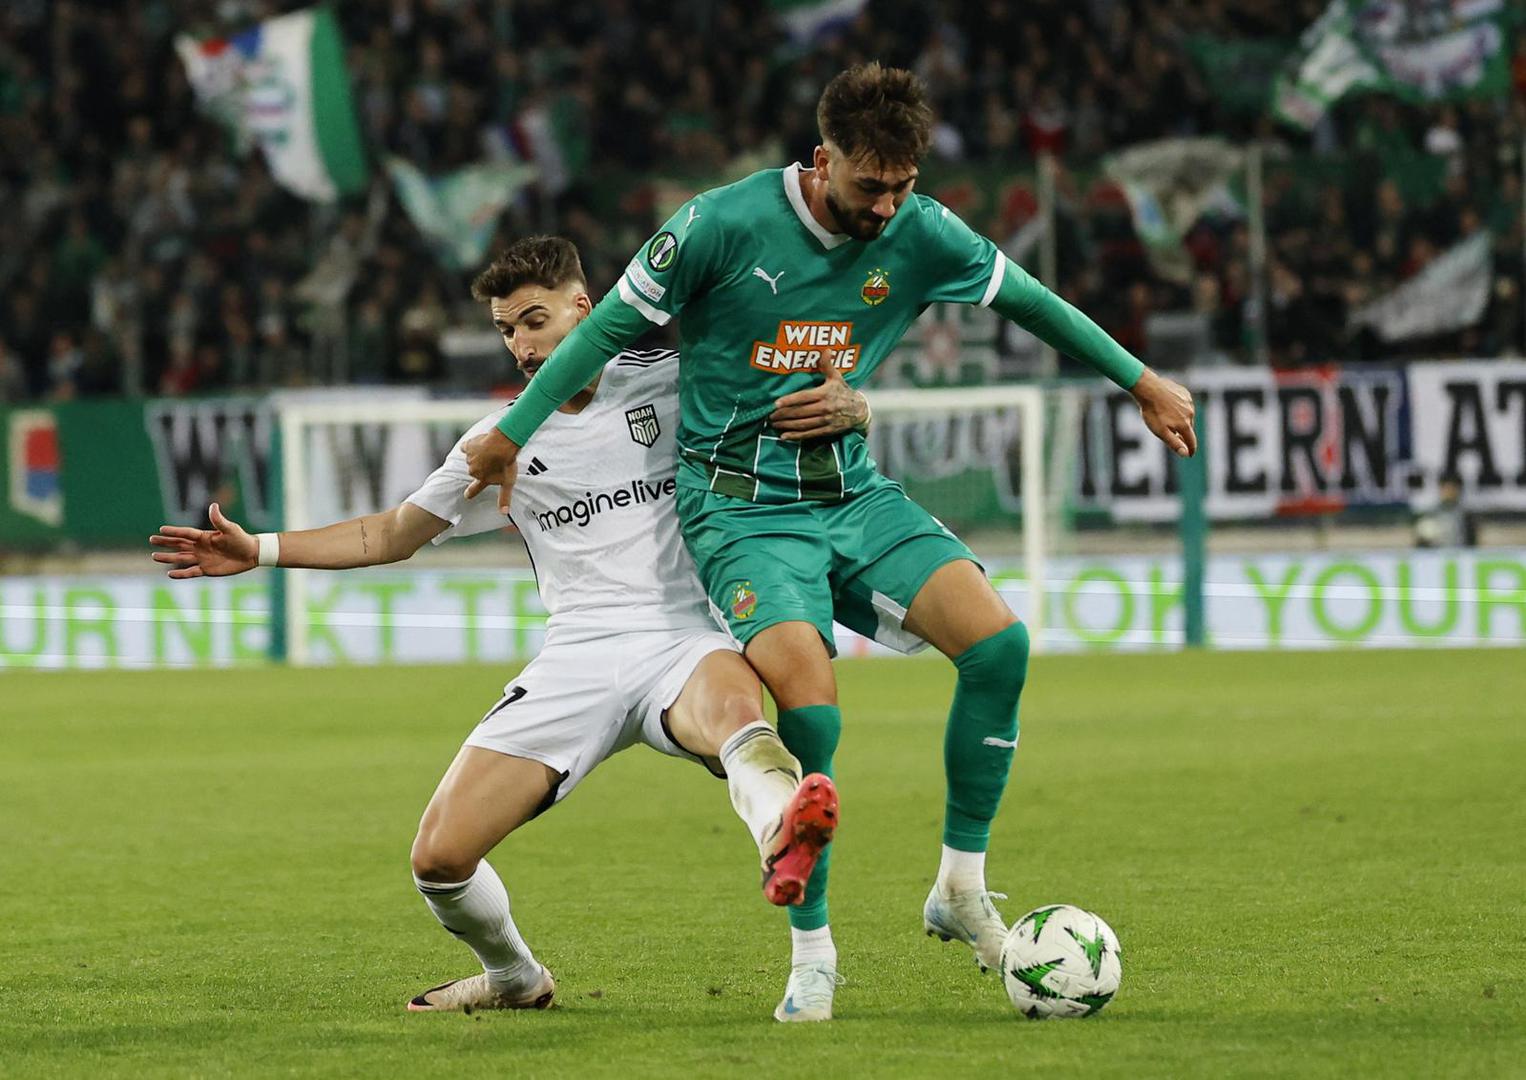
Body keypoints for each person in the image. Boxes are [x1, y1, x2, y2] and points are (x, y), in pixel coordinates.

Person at [461, 63, 1196, 1022]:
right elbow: (600, 332)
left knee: (1000, 646)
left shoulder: (922, 230)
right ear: (823, 160)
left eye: (903, 185)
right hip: (740, 513)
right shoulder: (718, 224)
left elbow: (1032, 302)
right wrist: (511, 434)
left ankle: (961, 885)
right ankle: (813, 954)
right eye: (869, 185)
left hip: (850, 491)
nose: (887, 206)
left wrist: (1141, 381)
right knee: (812, 707)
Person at [148, 237, 845, 1017]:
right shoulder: (501, 439)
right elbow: (391, 534)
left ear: (586, 309)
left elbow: (798, 386)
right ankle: (515, 976)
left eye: (535, 321)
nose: (520, 345)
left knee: (740, 721)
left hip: (682, 635)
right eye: (507, 329)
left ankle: (783, 833)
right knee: (438, 858)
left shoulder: (678, 383)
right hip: (576, 658)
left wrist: (851, 402)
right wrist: (262, 550)